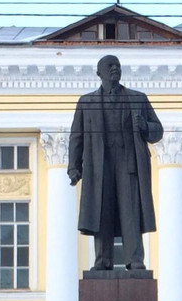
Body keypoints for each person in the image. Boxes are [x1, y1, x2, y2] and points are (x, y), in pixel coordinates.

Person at [68, 55, 164, 271]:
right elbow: (77, 137)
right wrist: (73, 167)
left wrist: (145, 126)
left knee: (130, 213)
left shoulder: (138, 99)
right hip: (98, 167)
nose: (115, 69)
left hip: (129, 165)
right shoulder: (86, 102)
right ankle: (102, 261)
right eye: (109, 66)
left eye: (118, 66)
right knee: (102, 212)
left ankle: (135, 259)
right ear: (99, 72)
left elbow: (158, 131)